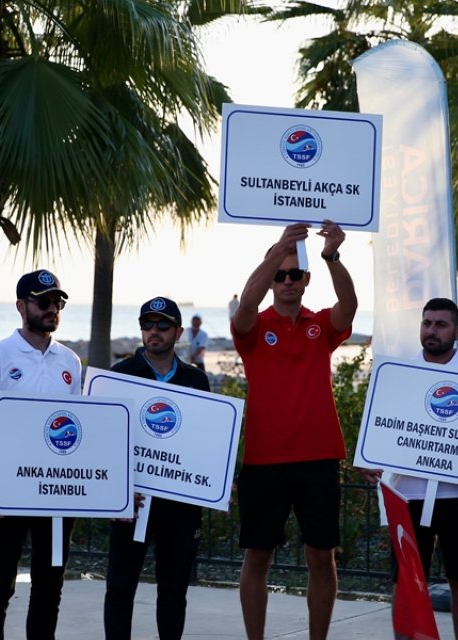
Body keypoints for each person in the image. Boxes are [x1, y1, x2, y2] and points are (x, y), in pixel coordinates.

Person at [231, 220, 357, 640]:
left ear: (306, 280)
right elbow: (246, 304)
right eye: (279, 275)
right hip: (264, 461)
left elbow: (349, 304)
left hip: (318, 458)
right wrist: (277, 250)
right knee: (257, 559)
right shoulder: (253, 328)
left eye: (293, 274)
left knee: (322, 558)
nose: (286, 281)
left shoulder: (320, 326)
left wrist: (332, 255)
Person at [0, 270, 83, 640]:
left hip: (57, 493)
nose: (53, 309)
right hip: (9, 490)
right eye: (44, 301)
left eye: (58, 302)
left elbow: (81, 426)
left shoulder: (70, 362)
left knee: (49, 585)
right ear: (21, 306)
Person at [103, 297, 211, 640]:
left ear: (178, 332)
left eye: (162, 325)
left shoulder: (197, 380)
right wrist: (116, 491)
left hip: (180, 507)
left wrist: (213, 484)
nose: (153, 331)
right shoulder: (120, 376)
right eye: (147, 324)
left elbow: (203, 442)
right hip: (130, 503)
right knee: (120, 589)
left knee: (174, 592)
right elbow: (104, 443)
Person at [393, 297, 458, 640]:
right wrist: (370, 462)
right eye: (427, 323)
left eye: (441, 324)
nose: (432, 330)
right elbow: (383, 431)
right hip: (407, 494)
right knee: (407, 581)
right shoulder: (399, 374)